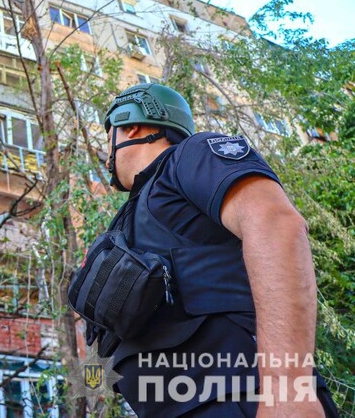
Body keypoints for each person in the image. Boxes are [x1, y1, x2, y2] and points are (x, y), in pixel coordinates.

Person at [93, 83, 339, 417]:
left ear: (130, 124)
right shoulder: (133, 214)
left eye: (108, 135)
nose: (107, 151)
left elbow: (277, 225)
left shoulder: (191, 155)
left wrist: (288, 390)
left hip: (239, 398)